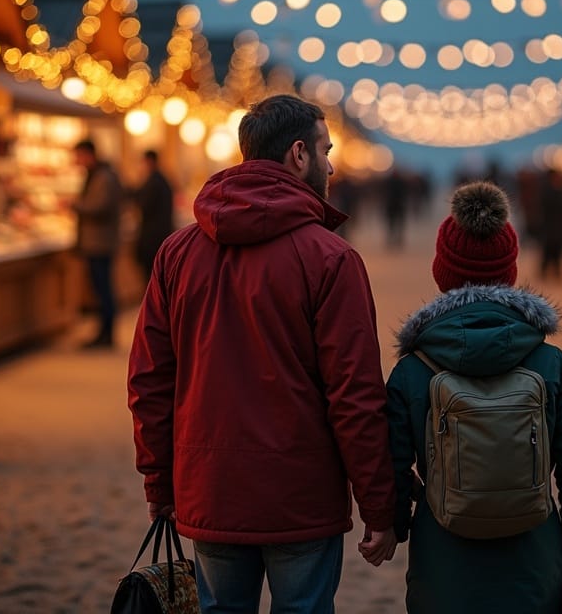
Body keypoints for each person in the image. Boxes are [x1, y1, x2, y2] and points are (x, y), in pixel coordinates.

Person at [127, 94, 397, 613]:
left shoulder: (177, 253)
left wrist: (159, 481)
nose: (332, 163)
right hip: (301, 495)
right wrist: (378, 507)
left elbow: (149, 381)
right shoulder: (331, 259)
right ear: (299, 154)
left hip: (210, 487)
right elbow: (355, 395)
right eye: (326, 148)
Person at [386, 181, 562, 614]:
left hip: (443, 556)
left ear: (441, 272)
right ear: (510, 269)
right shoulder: (550, 363)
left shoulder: (413, 370)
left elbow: (389, 463)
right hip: (532, 550)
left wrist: (394, 526)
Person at [71, 139, 122, 349]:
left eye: (79, 156)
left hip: (100, 242)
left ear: (88, 154)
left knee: (103, 289)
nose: (77, 161)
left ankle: (106, 333)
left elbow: (100, 206)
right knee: (100, 288)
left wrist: (76, 205)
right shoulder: (101, 175)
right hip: (97, 241)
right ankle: (103, 332)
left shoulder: (103, 177)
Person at [131, 149, 174, 283]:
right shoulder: (163, 180)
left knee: (151, 277)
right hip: (163, 235)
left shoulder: (153, 183)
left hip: (152, 237)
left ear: (148, 161)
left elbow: (144, 206)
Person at [536, 169, 562, 281]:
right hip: (550, 225)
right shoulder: (548, 191)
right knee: (548, 249)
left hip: (560, 225)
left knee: (558, 249)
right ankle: (545, 271)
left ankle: (557, 271)